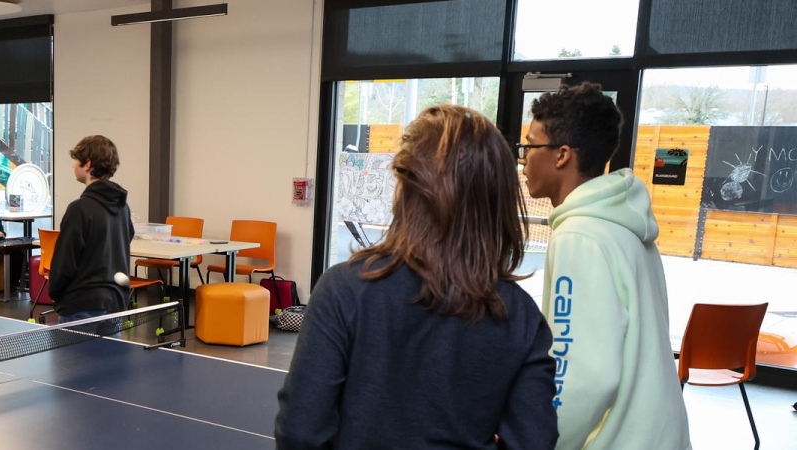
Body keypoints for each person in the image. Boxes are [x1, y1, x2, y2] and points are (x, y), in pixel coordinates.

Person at [276, 105, 557, 449]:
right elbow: (534, 440)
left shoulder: (344, 290)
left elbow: (301, 431)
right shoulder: (522, 317)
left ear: (407, 191)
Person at [520, 83, 691, 450]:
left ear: (562, 155)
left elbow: (581, 376)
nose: (522, 159)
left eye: (529, 146)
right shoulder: (625, 226)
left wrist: (545, 442)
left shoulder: (579, 236)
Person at [48, 135, 134, 323]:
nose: (73, 166)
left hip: (80, 304)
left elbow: (65, 260)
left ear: (87, 165)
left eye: (76, 161)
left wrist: (54, 292)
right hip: (114, 303)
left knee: (73, 355)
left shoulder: (79, 209)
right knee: (110, 354)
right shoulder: (122, 207)